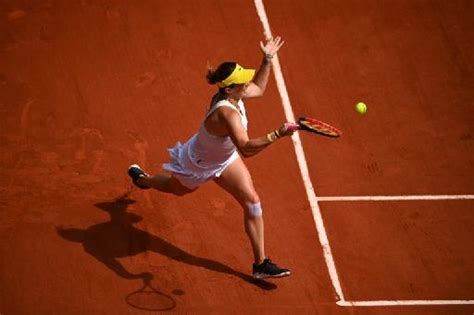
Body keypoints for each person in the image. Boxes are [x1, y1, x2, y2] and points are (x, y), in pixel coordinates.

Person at [128, 36, 297, 279]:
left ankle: (260, 264)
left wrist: (267, 59)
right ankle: (144, 180)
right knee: (176, 189)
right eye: (242, 82)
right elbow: (247, 149)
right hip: (197, 163)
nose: (247, 83)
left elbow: (258, 89)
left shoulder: (233, 94)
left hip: (224, 159)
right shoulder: (228, 114)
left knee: (252, 201)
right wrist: (278, 133)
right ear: (229, 88)